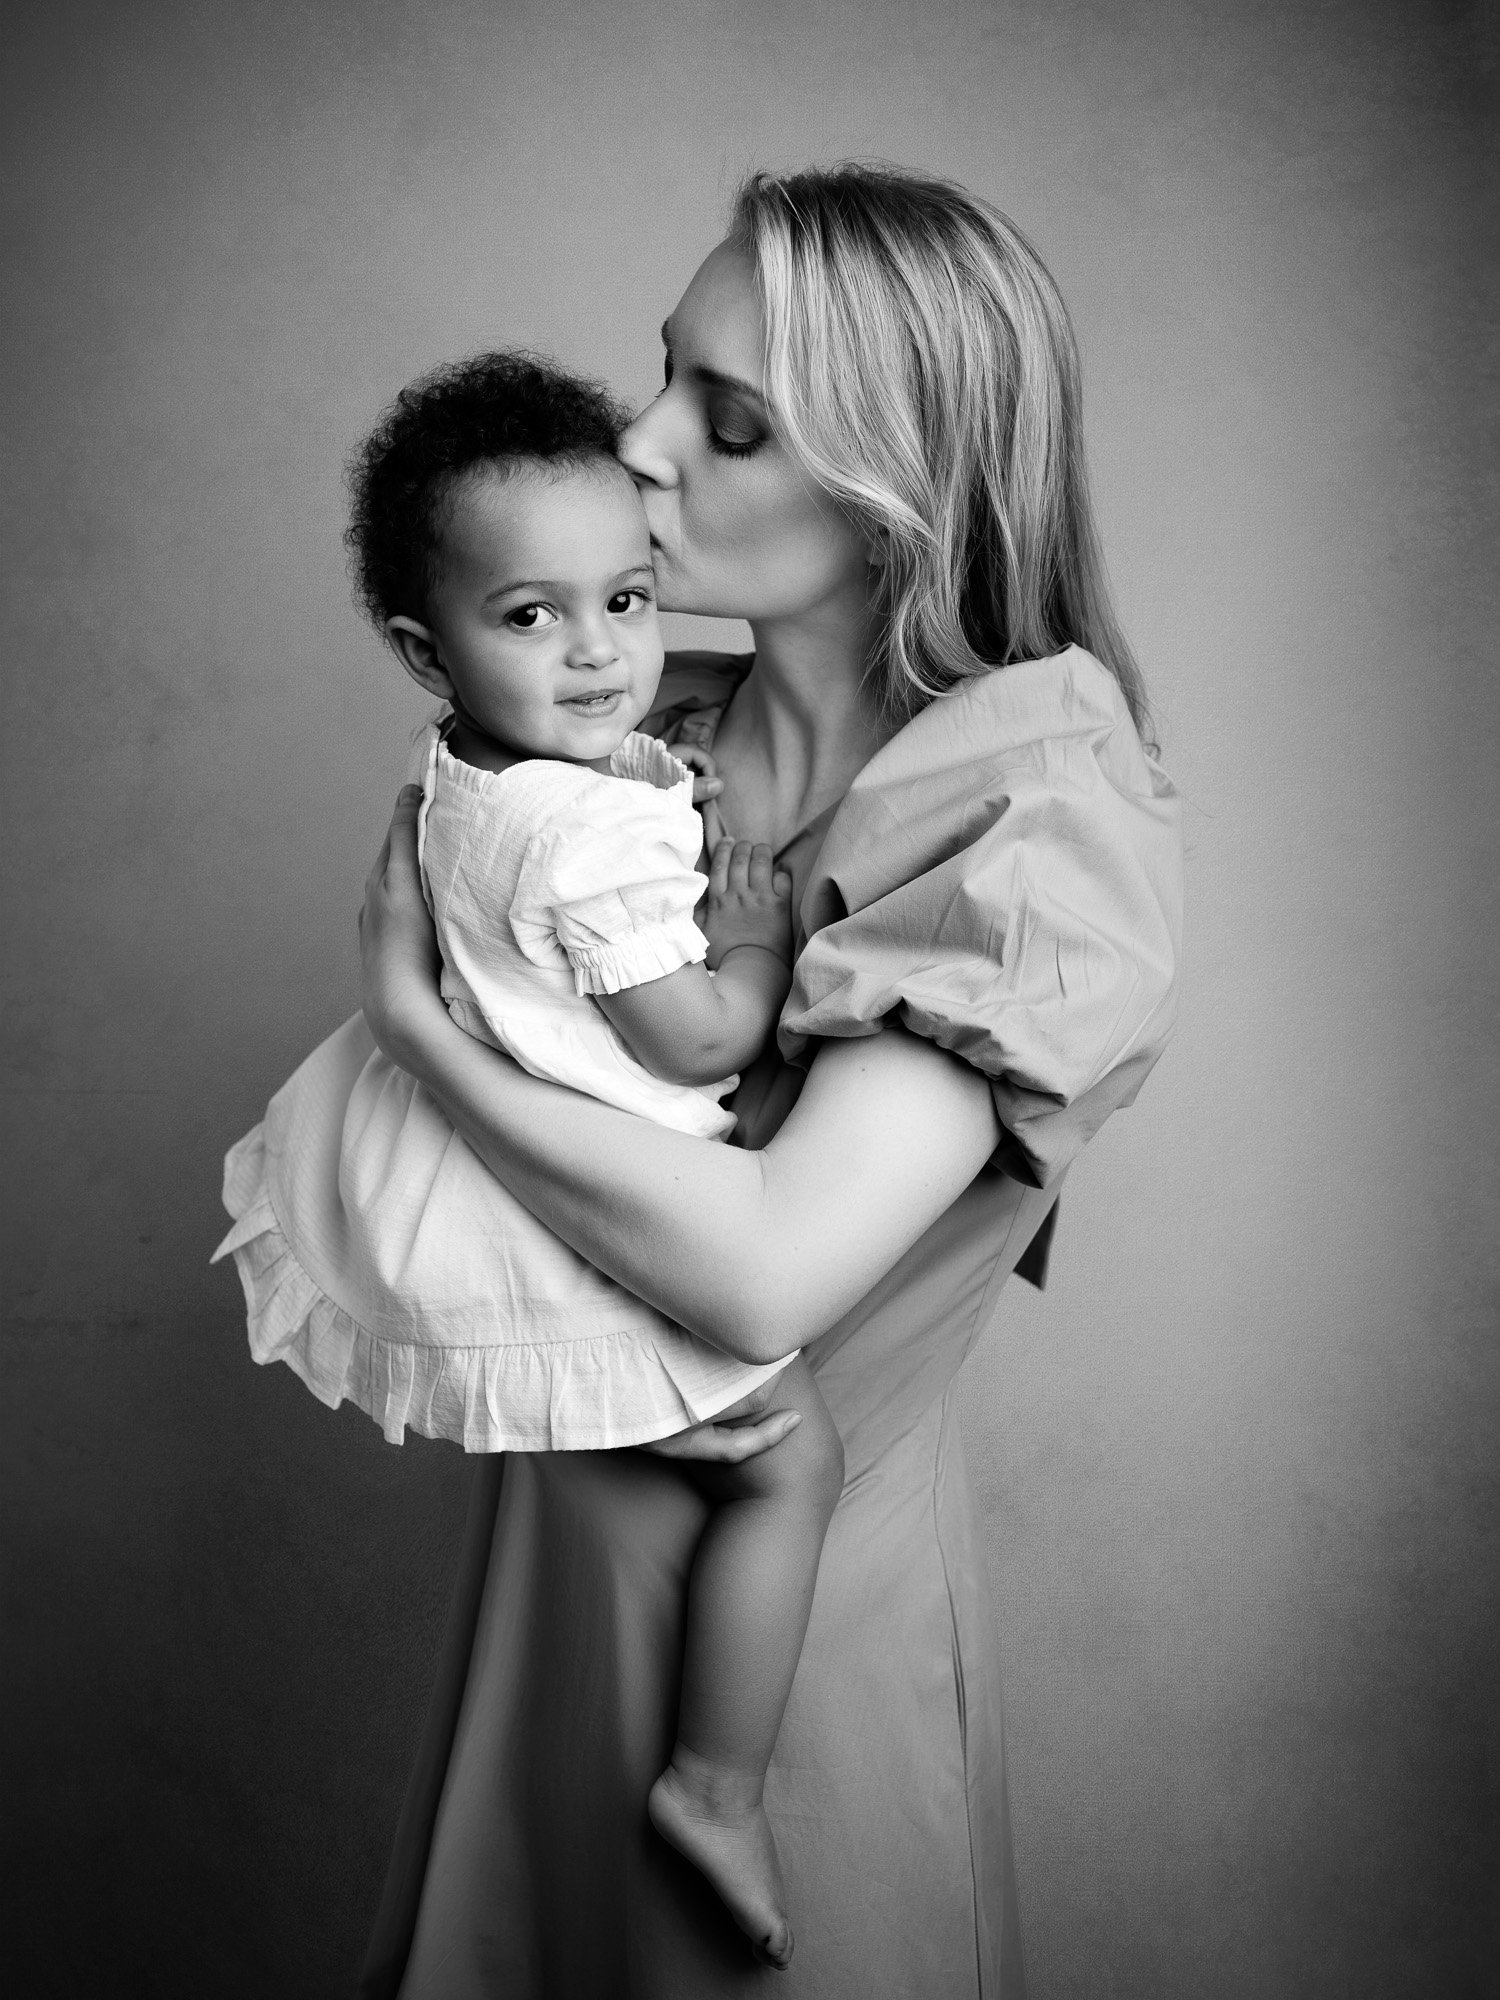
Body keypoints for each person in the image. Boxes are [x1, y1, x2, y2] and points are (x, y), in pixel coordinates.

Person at [354, 164, 1183, 1998]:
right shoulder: (654, 730)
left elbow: (756, 1275)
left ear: (900, 493)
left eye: (726, 424)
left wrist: (417, 1034)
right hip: (553, 1576)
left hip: (785, 1663)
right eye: (663, 377)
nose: (636, 446)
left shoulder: (1030, 807)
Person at [212, 352, 846, 1966]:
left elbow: (561, 836)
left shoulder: (473, 770)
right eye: (532, 618)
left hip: (476, 1167)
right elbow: (691, 1040)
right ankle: (715, 1782)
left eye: (629, 600)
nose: (602, 655)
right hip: (581, 1208)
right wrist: (760, 939)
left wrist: (666, 782)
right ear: (432, 644)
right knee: (793, 1460)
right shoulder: (583, 836)